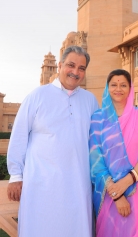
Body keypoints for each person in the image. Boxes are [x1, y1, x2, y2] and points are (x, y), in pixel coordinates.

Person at [7, 46, 99, 237]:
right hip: (42, 188)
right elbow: (19, 137)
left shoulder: (90, 101)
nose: (75, 72)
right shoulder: (37, 96)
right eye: (71, 65)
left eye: (81, 68)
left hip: (79, 187)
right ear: (59, 65)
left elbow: (97, 143)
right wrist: (16, 176)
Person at [89, 69, 138, 237]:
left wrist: (127, 181)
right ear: (107, 88)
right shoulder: (98, 119)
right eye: (113, 84)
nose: (118, 89)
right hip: (109, 194)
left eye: (123, 85)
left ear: (130, 88)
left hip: (137, 189)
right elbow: (95, 162)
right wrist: (117, 195)